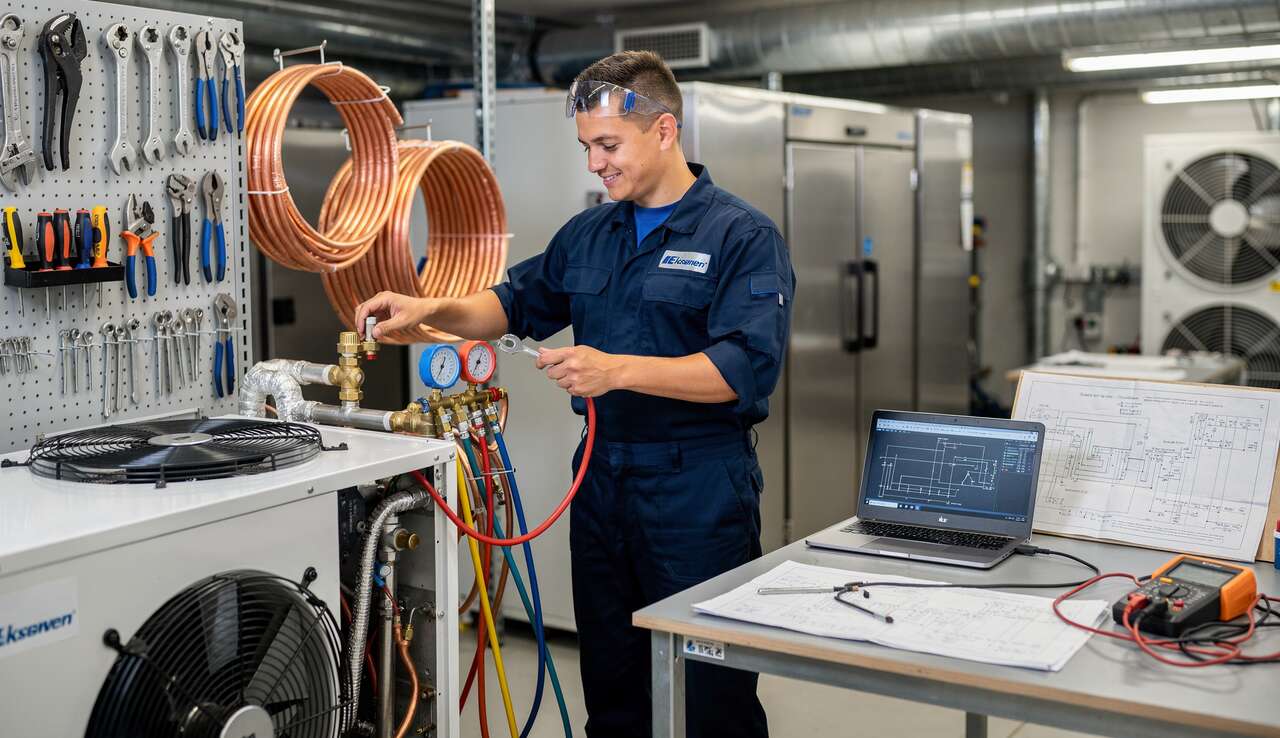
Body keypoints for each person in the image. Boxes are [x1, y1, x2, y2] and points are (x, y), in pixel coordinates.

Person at [355, 50, 793, 738]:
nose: (596, 163)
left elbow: (745, 368)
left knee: (712, 695)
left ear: (665, 131)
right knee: (613, 685)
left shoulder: (740, 236)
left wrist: (616, 370)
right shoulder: (592, 231)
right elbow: (511, 302)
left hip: (698, 490)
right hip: (602, 484)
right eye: (587, 146)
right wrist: (428, 308)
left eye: (609, 145)